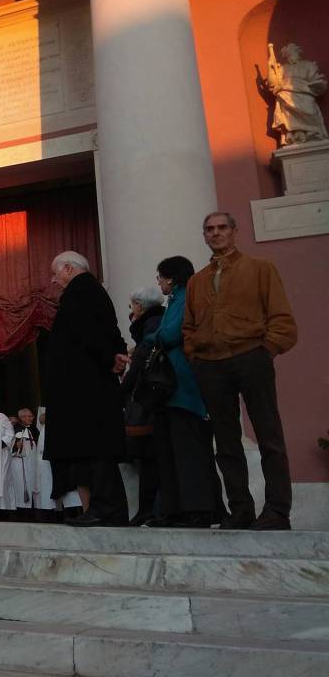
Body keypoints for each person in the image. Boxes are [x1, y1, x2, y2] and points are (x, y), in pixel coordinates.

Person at [183, 212, 298, 530]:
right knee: (226, 440)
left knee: (268, 435)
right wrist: (195, 354)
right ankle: (240, 510)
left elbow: (281, 316)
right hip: (211, 365)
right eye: (209, 229)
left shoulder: (260, 269)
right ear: (204, 236)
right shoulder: (197, 281)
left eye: (222, 228)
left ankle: (277, 511)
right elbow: (188, 326)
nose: (216, 233)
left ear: (234, 232)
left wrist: (268, 349)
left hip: (251, 357)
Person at [43, 251, 130, 527]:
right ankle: (106, 508)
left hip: (85, 391)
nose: (54, 280)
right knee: (93, 450)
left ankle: (104, 507)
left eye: (56, 273)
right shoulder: (90, 291)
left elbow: (91, 333)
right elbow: (108, 331)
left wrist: (110, 357)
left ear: (68, 268)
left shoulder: (81, 291)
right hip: (87, 387)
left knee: (95, 449)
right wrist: (114, 354)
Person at [141, 256, 224, 529]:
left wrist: (149, 339)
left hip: (182, 387)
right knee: (172, 451)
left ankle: (197, 509)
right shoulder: (176, 299)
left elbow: (171, 333)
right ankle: (176, 509)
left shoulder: (185, 296)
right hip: (174, 390)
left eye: (160, 276)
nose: (158, 282)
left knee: (187, 451)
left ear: (171, 278)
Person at [121, 286, 165, 526]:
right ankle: (151, 509)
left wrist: (121, 392)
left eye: (132, 306)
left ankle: (153, 510)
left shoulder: (151, 327)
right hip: (150, 401)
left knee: (150, 459)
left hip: (148, 403)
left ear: (140, 305)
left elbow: (140, 366)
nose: (132, 311)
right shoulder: (156, 322)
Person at [9, 408, 40, 520]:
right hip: (20, 465)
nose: (32, 418)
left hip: (30, 464)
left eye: (31, 416)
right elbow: (13, 447)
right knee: (21, 489)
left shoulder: (30, 430)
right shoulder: (17, 430)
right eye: (29, 416)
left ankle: (30, 514)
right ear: (22, 417)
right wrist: (17, 446)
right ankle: (22, 516)